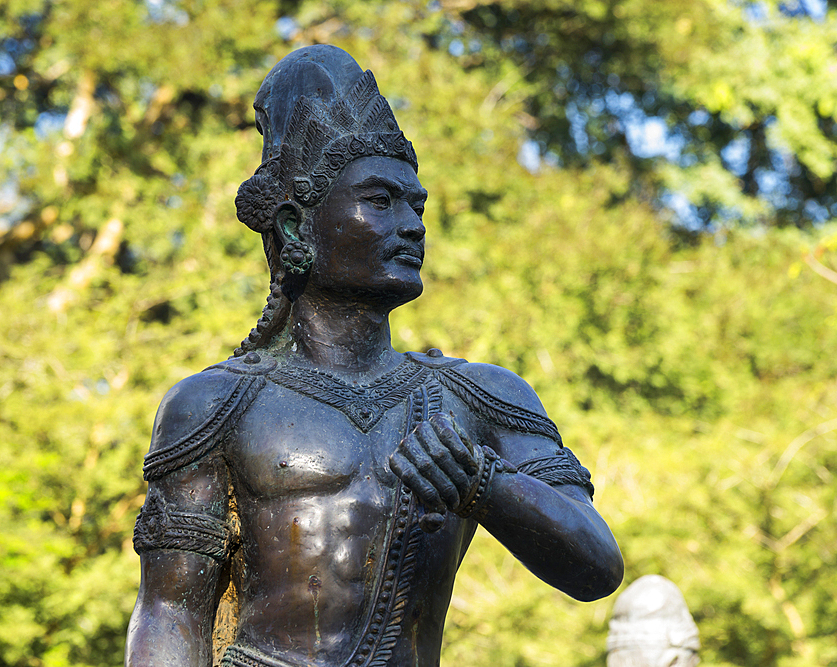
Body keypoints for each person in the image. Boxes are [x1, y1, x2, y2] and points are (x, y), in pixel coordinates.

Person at [125, 45, 623, 667]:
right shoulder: (217, 403)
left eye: (417, 206)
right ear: (297, 226)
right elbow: (170, 612)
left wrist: (484, 485)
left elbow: (596, 566)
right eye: (380, 201)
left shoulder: (479, 398)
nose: (412, 225)